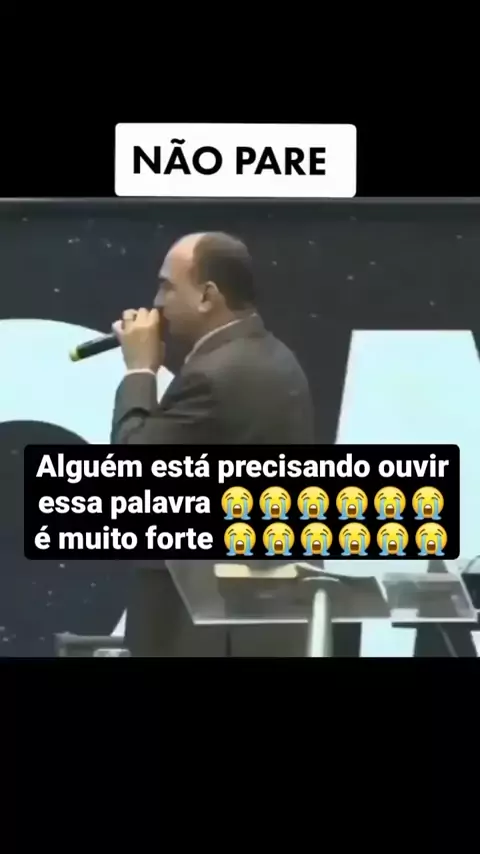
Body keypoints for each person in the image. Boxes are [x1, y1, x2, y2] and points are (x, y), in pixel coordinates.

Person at [110, 231, 317, 657]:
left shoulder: (213, 375)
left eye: (167, 287)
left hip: (205, 625)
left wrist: (140, 372)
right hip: (252, 618)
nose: (157, 302)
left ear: (207, 295)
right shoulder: (273, 355)